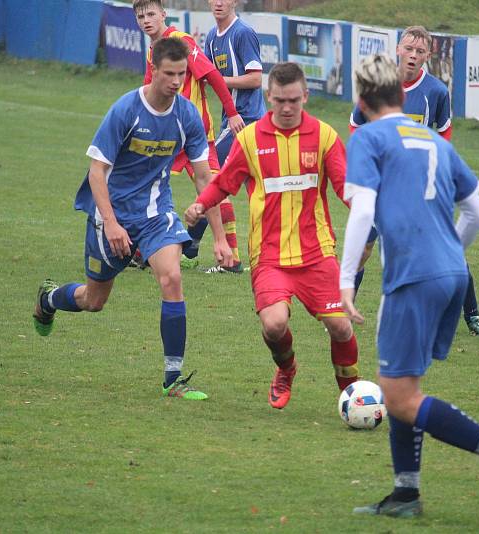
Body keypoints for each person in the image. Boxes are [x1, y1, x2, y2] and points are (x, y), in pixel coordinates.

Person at [340, 54, 479, 522]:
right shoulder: (431, 138)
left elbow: (363, 210)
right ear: (402, 95)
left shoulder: (367, 137)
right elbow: (478, 213)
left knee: (400, 397)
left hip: (412, 275)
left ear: (361, 101)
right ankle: (406, 494)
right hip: (452, 273)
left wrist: (345, 278)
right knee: (403, 385)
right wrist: (451, 254)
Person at [32, 38, 232, 401]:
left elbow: (206, 178)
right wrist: (110, 223)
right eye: (168, 74)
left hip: (156, 213)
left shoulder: (186, 115)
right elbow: (97, 172)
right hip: (111, 213)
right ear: (153, 69)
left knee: (171, 277)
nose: (175, 81)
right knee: (94, 301)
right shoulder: (126, 110)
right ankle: (48, 300)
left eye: (181, 75)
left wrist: (220, 237)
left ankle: (173, 379)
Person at [184, 62, 361, 410]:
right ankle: (286, 368)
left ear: (306, 97)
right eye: (279, 100)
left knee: (341, 328)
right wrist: (201, 205)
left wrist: (372, 211)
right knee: (274, 324)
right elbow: (225, 182)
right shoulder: (250, 139)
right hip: (269, 254)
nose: (286, 107)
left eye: (294, 100)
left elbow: (346, 187)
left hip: (316, 252)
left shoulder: (324, 136)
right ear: (268, 97)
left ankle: (354, 396)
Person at [349, 26, 479, 338]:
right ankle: (345, 308)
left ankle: (473, 316)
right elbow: (356, 128)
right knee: (363, 246)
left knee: (445, 246)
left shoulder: (436, 92)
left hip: (422, 188)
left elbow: (444, 139)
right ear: (398, 49)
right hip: (384, 187)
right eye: (409, 49)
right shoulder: (380, 86)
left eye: (420, 51)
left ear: (428, 56)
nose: (413, 56)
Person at [133, 0, 245, 273]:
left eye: (151, 14)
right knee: (143, 187)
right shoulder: (153, 51)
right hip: (165, 137)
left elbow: (213, 76)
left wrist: (231, 113)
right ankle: (140, 251)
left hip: (195, 134)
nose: (146, 20)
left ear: (163, 14)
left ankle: (231, 259)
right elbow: (147, 91)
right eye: (140, 16)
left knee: (216, 191)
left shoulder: (180, 42)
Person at [193, 0, 268, 272]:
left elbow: (256, 78)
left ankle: (191, 242)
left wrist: (218, 80)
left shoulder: (242, 33)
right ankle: (230, 258)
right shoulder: (213, 37)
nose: (219, 2)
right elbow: (204, 72)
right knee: (253, 190)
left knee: (210, 177)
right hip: (231, 120)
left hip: (246, 120)